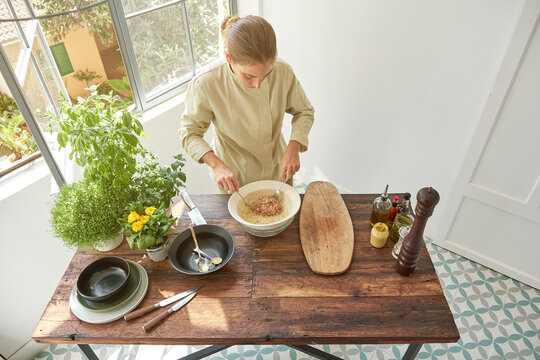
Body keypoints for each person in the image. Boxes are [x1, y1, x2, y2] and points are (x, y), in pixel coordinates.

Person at [180, 15, 314, 193]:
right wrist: (216, 165)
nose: (258, 84)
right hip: (235, 180)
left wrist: (294, 145)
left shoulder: (283, 71)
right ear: (229, 58)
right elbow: (189, 134)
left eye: (267, 74)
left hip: (279, 172)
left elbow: (304, 111)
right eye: (249, 76)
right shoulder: (206, 83)